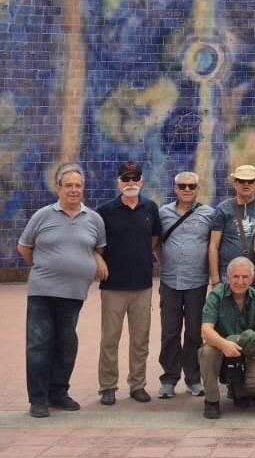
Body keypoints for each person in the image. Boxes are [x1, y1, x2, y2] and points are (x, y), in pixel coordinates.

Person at [17, 163, 107, 418]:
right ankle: (38, 399)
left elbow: (97, 248)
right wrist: (47, 266)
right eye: (68, 185)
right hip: (42, 292)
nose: (74, 190)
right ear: (58, 188)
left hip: (74, 294)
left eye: (78, 185)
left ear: (83, 188)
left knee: (66, 344)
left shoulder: (94, 219)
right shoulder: (42, 215)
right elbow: (24, 247)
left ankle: (58, 393)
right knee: (39, 343)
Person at [96, 160, 161, 405]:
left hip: (142, 286)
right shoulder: (105, 211)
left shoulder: (150, 208)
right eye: (126, 178)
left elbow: (153, 239)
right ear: (118, 182)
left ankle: (138, 385)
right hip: (113, 286)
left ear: (141, 181)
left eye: (135, 178)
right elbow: (96, 244)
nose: (130, 182)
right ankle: (108, 387)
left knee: (140, 339)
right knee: (110, 339)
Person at [156, 170, 213, 399]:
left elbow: (214, 244)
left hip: (197, 281)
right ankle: (169, 379)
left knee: (193, 332)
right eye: (182, 186)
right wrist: (165, 261)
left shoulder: (209, 214)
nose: (187, 190)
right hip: (170, 280)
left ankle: (193, 379)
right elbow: (156, 243)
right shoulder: (163, 213)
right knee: (169, 332)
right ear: (175, 189)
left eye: (191, 186)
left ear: (198, 189)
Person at [199, 256, 255, 419]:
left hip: (246, 350)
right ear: (228, 277)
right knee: (207, 352)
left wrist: (236, 341)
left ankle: (239, 389)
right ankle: (211, 400)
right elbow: (206, 330)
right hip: (219, 347)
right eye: (235, 276)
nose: (240, 281)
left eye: (245, 277)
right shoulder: (216, 296)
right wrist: (225, 344)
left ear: (251, 279)